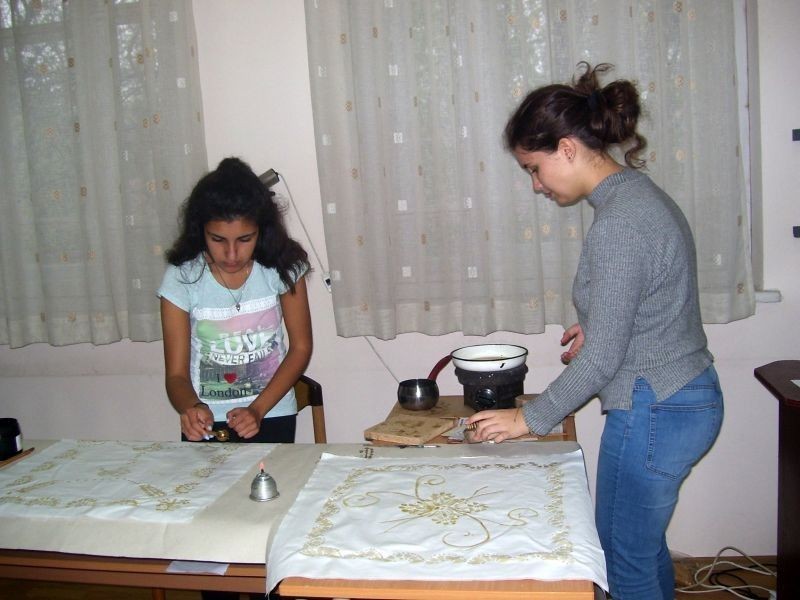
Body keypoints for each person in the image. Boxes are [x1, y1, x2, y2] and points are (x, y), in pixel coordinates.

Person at [466, 63, 723, 600]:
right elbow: (657, 297)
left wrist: (527, 419)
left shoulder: (620, 221)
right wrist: (603, 320)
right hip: (678, 397)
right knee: (640, 551)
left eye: (534, 169)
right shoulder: (636, 197)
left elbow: (603, 358)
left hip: (656, 406)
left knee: (621, 561)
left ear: (566, 149)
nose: (536, 185)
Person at [158, 156, 312, 446]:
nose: (231, 254)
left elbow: (301, 348)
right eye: (218, 240)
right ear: (201, 231)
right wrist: (192, 408)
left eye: (244, 239)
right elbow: (176, 375)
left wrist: (257, 409)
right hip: (205, 421)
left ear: (261, 230)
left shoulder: (283, 267)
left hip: (271, 414)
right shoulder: (182, 278)